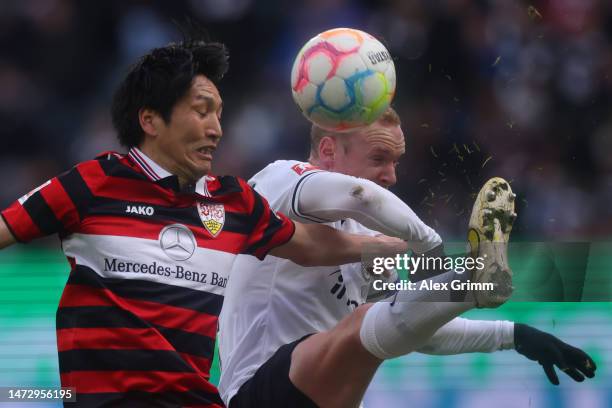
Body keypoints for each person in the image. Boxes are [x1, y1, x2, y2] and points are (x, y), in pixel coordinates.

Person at [0, 31, 408, 407]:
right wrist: (425, 242)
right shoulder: (93, 184)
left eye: (219, 114)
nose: (216, 129)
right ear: (150, 120)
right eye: (202, 111)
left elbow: (311, 245)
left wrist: (385, 249)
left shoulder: (233, 201)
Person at [218, 108, 597, 408]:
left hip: (328, 395)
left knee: (372, 322)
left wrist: (514, 335)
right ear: (330, 150)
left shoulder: (371, 241)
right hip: (257, 391)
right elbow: (359, 196)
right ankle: (473, 278)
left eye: (397, 161)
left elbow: (406, 326)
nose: (392, 175)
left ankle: (477, 280)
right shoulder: (280, 180)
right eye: (380, 157)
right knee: (361, 324)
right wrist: (429, 244)